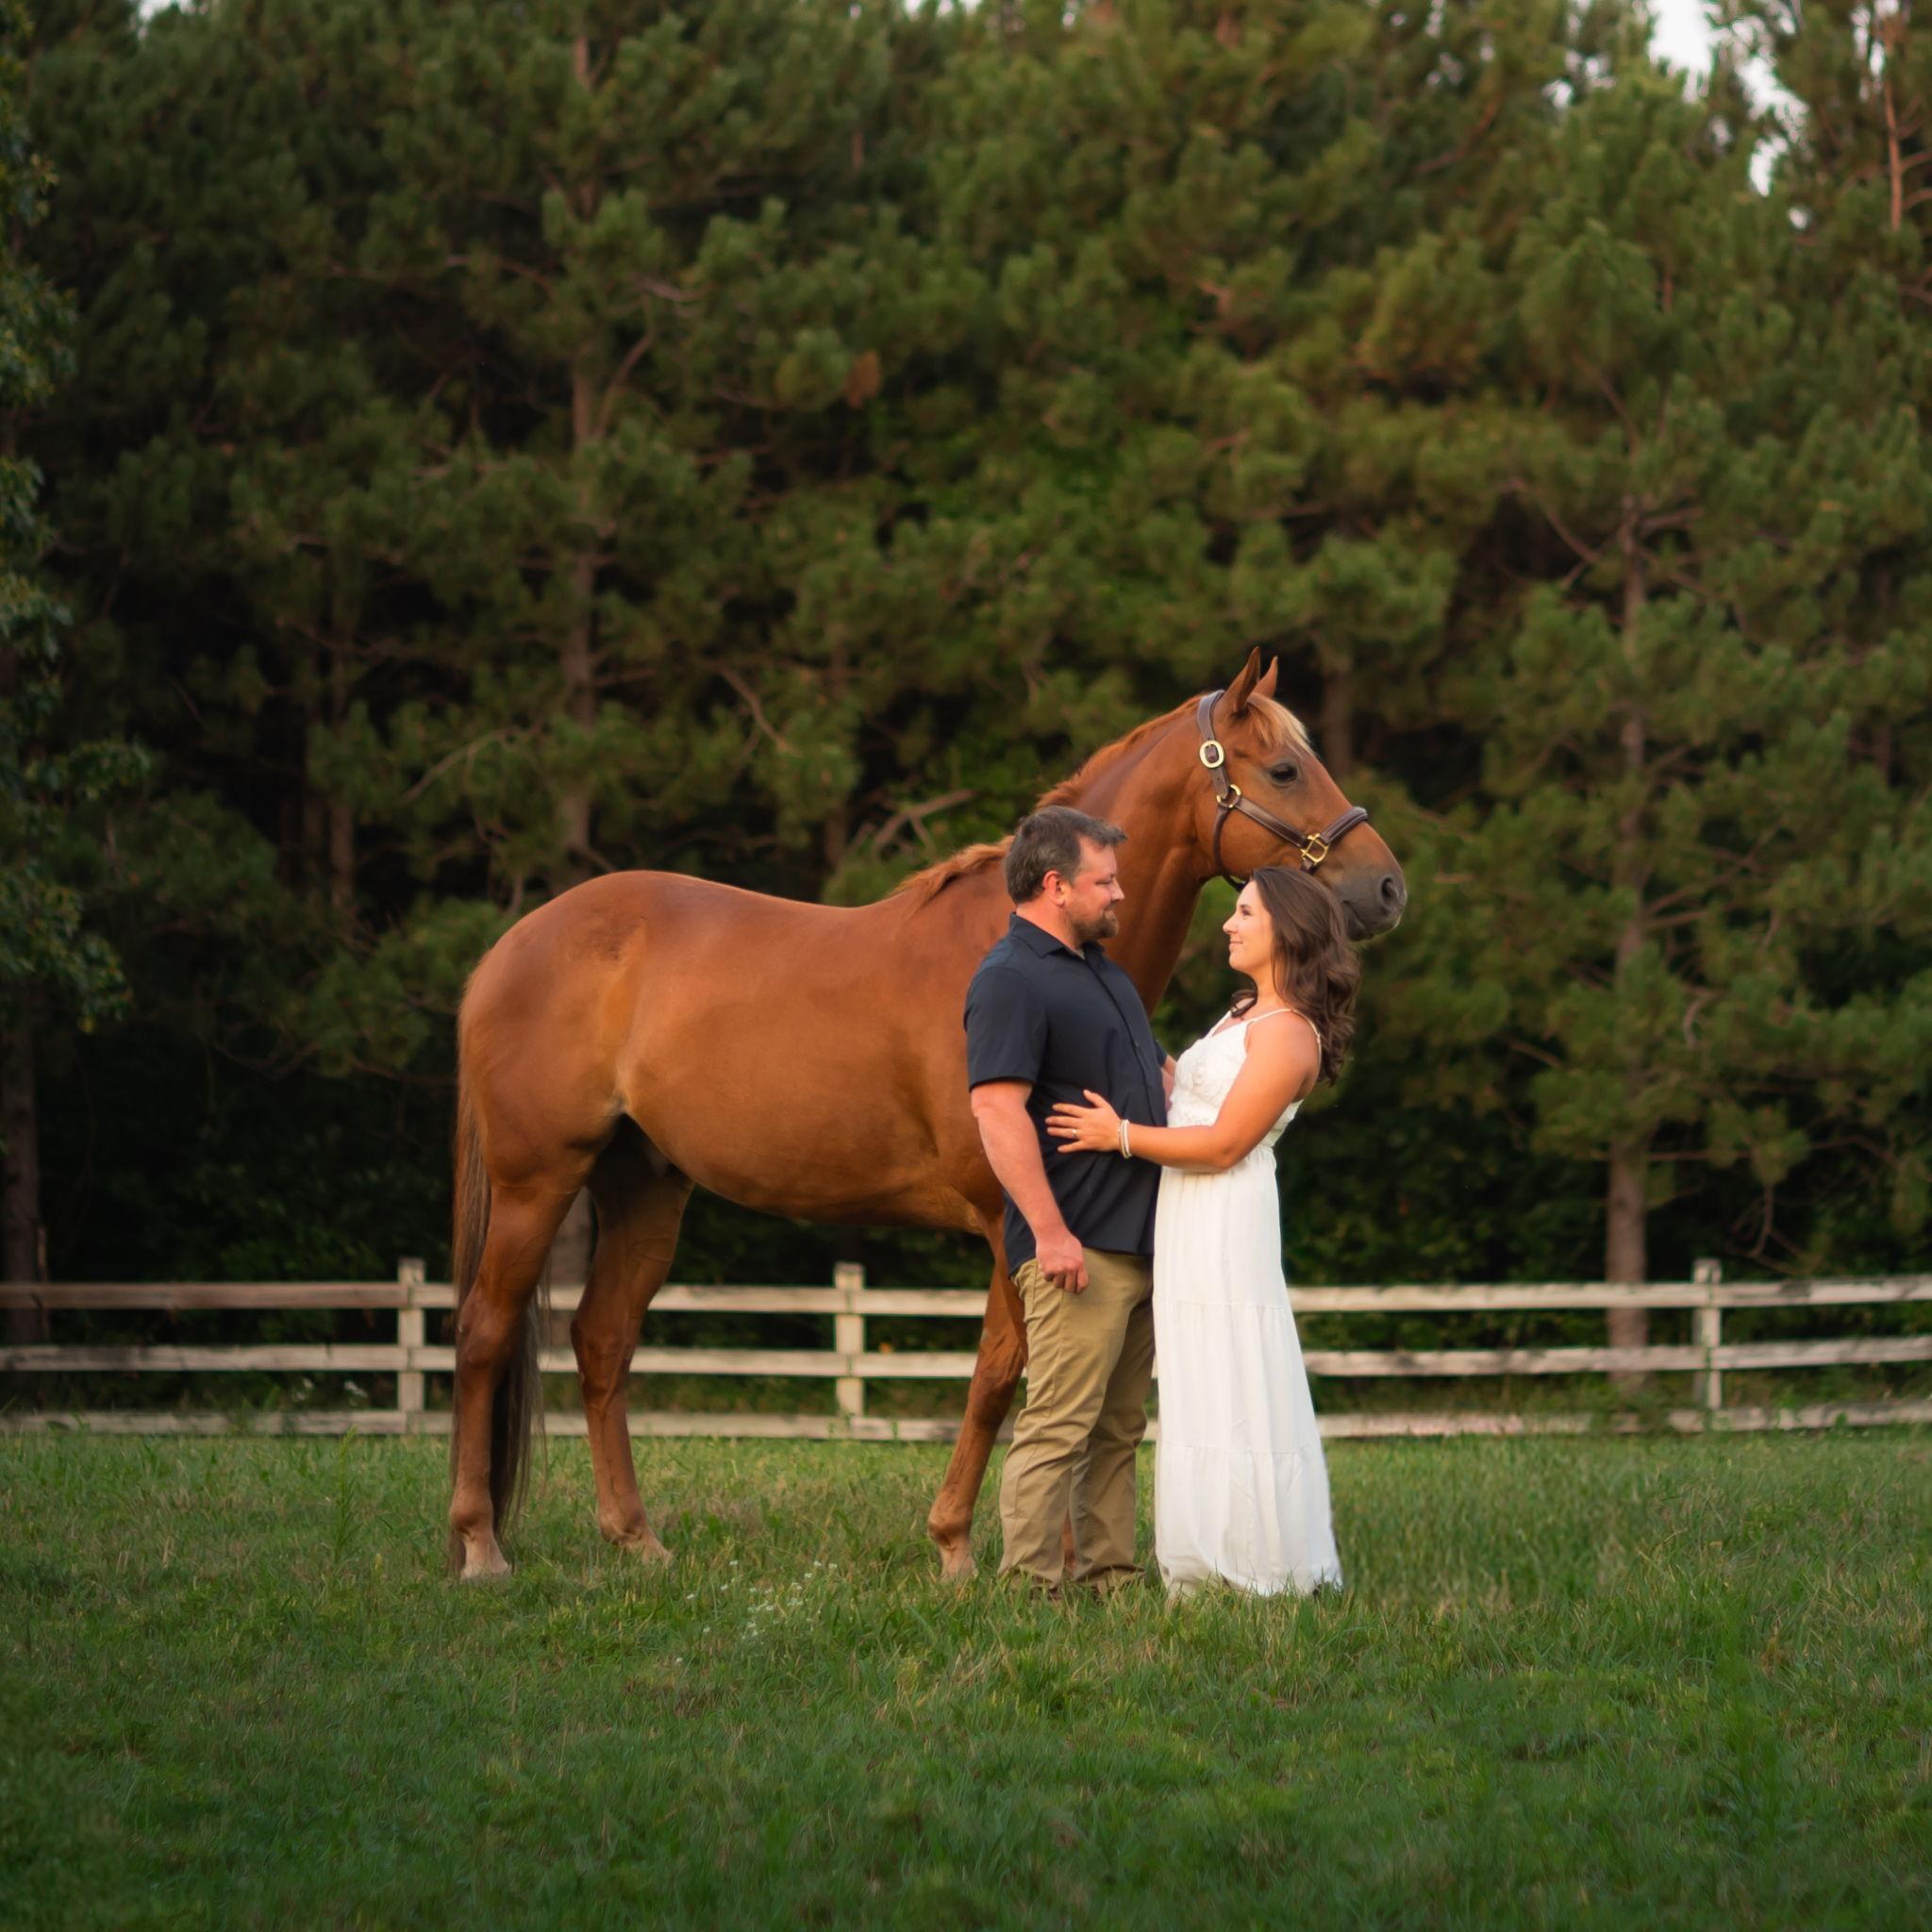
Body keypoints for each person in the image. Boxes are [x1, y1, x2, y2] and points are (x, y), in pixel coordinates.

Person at [1046, 865, 1355, 1597]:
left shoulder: (1288, 1036)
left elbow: (1222, 1144)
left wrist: (1117, 1134)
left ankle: (1254, 1563)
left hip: (1223, 1216)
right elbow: (1189, 1095)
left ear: (1289, 929)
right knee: (1193, 1380)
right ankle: (1203, 1555)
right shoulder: (1244, 1013)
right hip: (1186, 1211)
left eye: (1245, 912)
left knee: (1231, 1373)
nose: (1229, 923)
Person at [963, 806, 1171, 1595]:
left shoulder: (1102, 971)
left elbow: (1153, 1077)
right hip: (1076, 1247)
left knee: (1118, 1430)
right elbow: (995, 1110)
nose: (1120, 894)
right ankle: (1028, 1590)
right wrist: (1049, 1234)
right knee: (1057, 1428)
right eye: (1105, 881)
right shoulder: (1010, 979)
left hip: (1141, 1241)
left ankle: (1111, 1579)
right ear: (1055, 886)